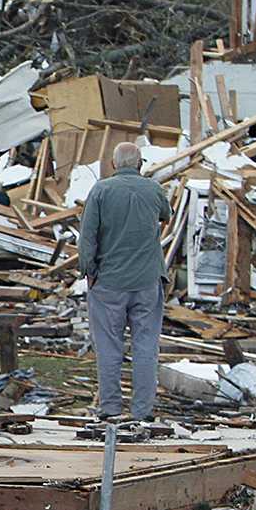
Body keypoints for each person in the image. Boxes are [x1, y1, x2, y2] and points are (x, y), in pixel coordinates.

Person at [79, 141, 171, 421]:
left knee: (109, 347)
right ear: (140, 164)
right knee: (145, 346)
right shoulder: (154, 189)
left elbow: (87, 238)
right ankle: (142, 411)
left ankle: (110, 409)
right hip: (146, 282)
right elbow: (166, 216)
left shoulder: (101, 190)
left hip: (108, 282)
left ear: (113, 164)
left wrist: (89, 270)